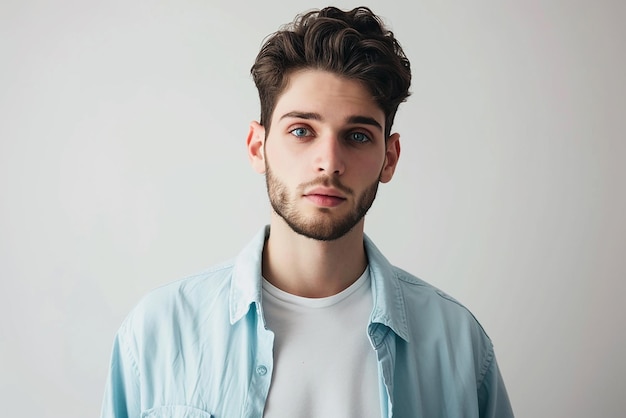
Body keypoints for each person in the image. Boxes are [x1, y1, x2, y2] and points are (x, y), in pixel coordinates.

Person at [101, 6, 514, 418]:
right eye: (302, 131)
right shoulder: (158, 332)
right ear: (257, 147)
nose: (329, 161)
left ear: (389, 158)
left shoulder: (458, 345)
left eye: (357, 136)